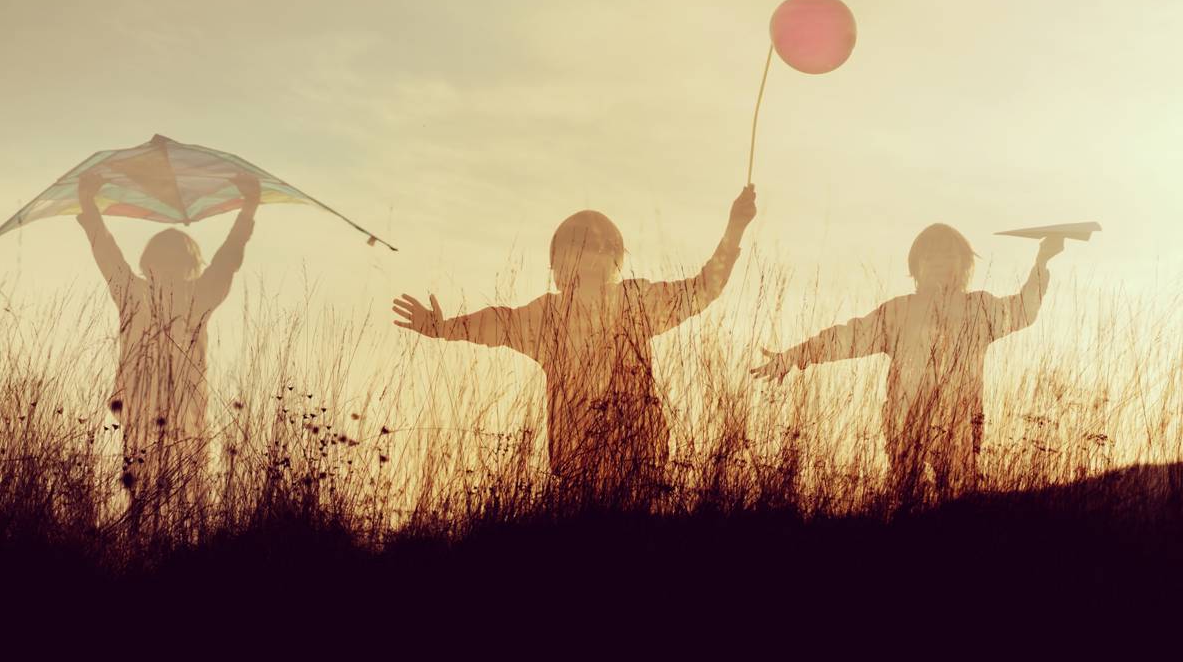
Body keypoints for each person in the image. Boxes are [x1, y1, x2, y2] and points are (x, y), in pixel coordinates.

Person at [392, 186, 757, 504]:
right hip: (627, 472)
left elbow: (494, 323)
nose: (593, 254)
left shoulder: (567, 312)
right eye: (589, 247)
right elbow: (704, 288)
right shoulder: (628, 303)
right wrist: (734, 228)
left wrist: (442, 328)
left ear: (559, 261)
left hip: (610, 474)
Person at [752, 224, 1064, 498]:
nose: (940, 263)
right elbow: (848, 337)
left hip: (961, 420)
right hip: (904, 420)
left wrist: (1042, 262)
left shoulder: (978, 309)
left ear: (964, 265)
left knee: (958, 499)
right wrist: (794, 356)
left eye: (948, 256)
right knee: (905, 496)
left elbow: (1022, 311)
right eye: (931, 257)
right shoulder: (899, 312)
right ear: (916, 267)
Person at [77, 169, 259, 519]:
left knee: (143, 494)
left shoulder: (133, 292)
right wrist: (248, 207)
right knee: (187, 496)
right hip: (183, 411)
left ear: (149, 261)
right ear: (192, 263)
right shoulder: (198, 295)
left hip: (142, 409)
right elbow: (228, 258)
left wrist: (88, 203)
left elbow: (105, 249)